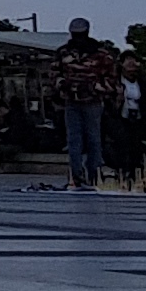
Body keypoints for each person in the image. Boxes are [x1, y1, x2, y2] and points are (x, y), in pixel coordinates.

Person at [54, 19, 124, 192]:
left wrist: (94, 88)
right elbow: (54, 74)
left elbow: (112, 79)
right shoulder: (63, 52)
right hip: (71, 101)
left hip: (93, 102)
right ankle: (76, 175)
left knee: (94, 139)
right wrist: (65, 86)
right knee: (73, 140)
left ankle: (94, 175)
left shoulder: (101, 54)